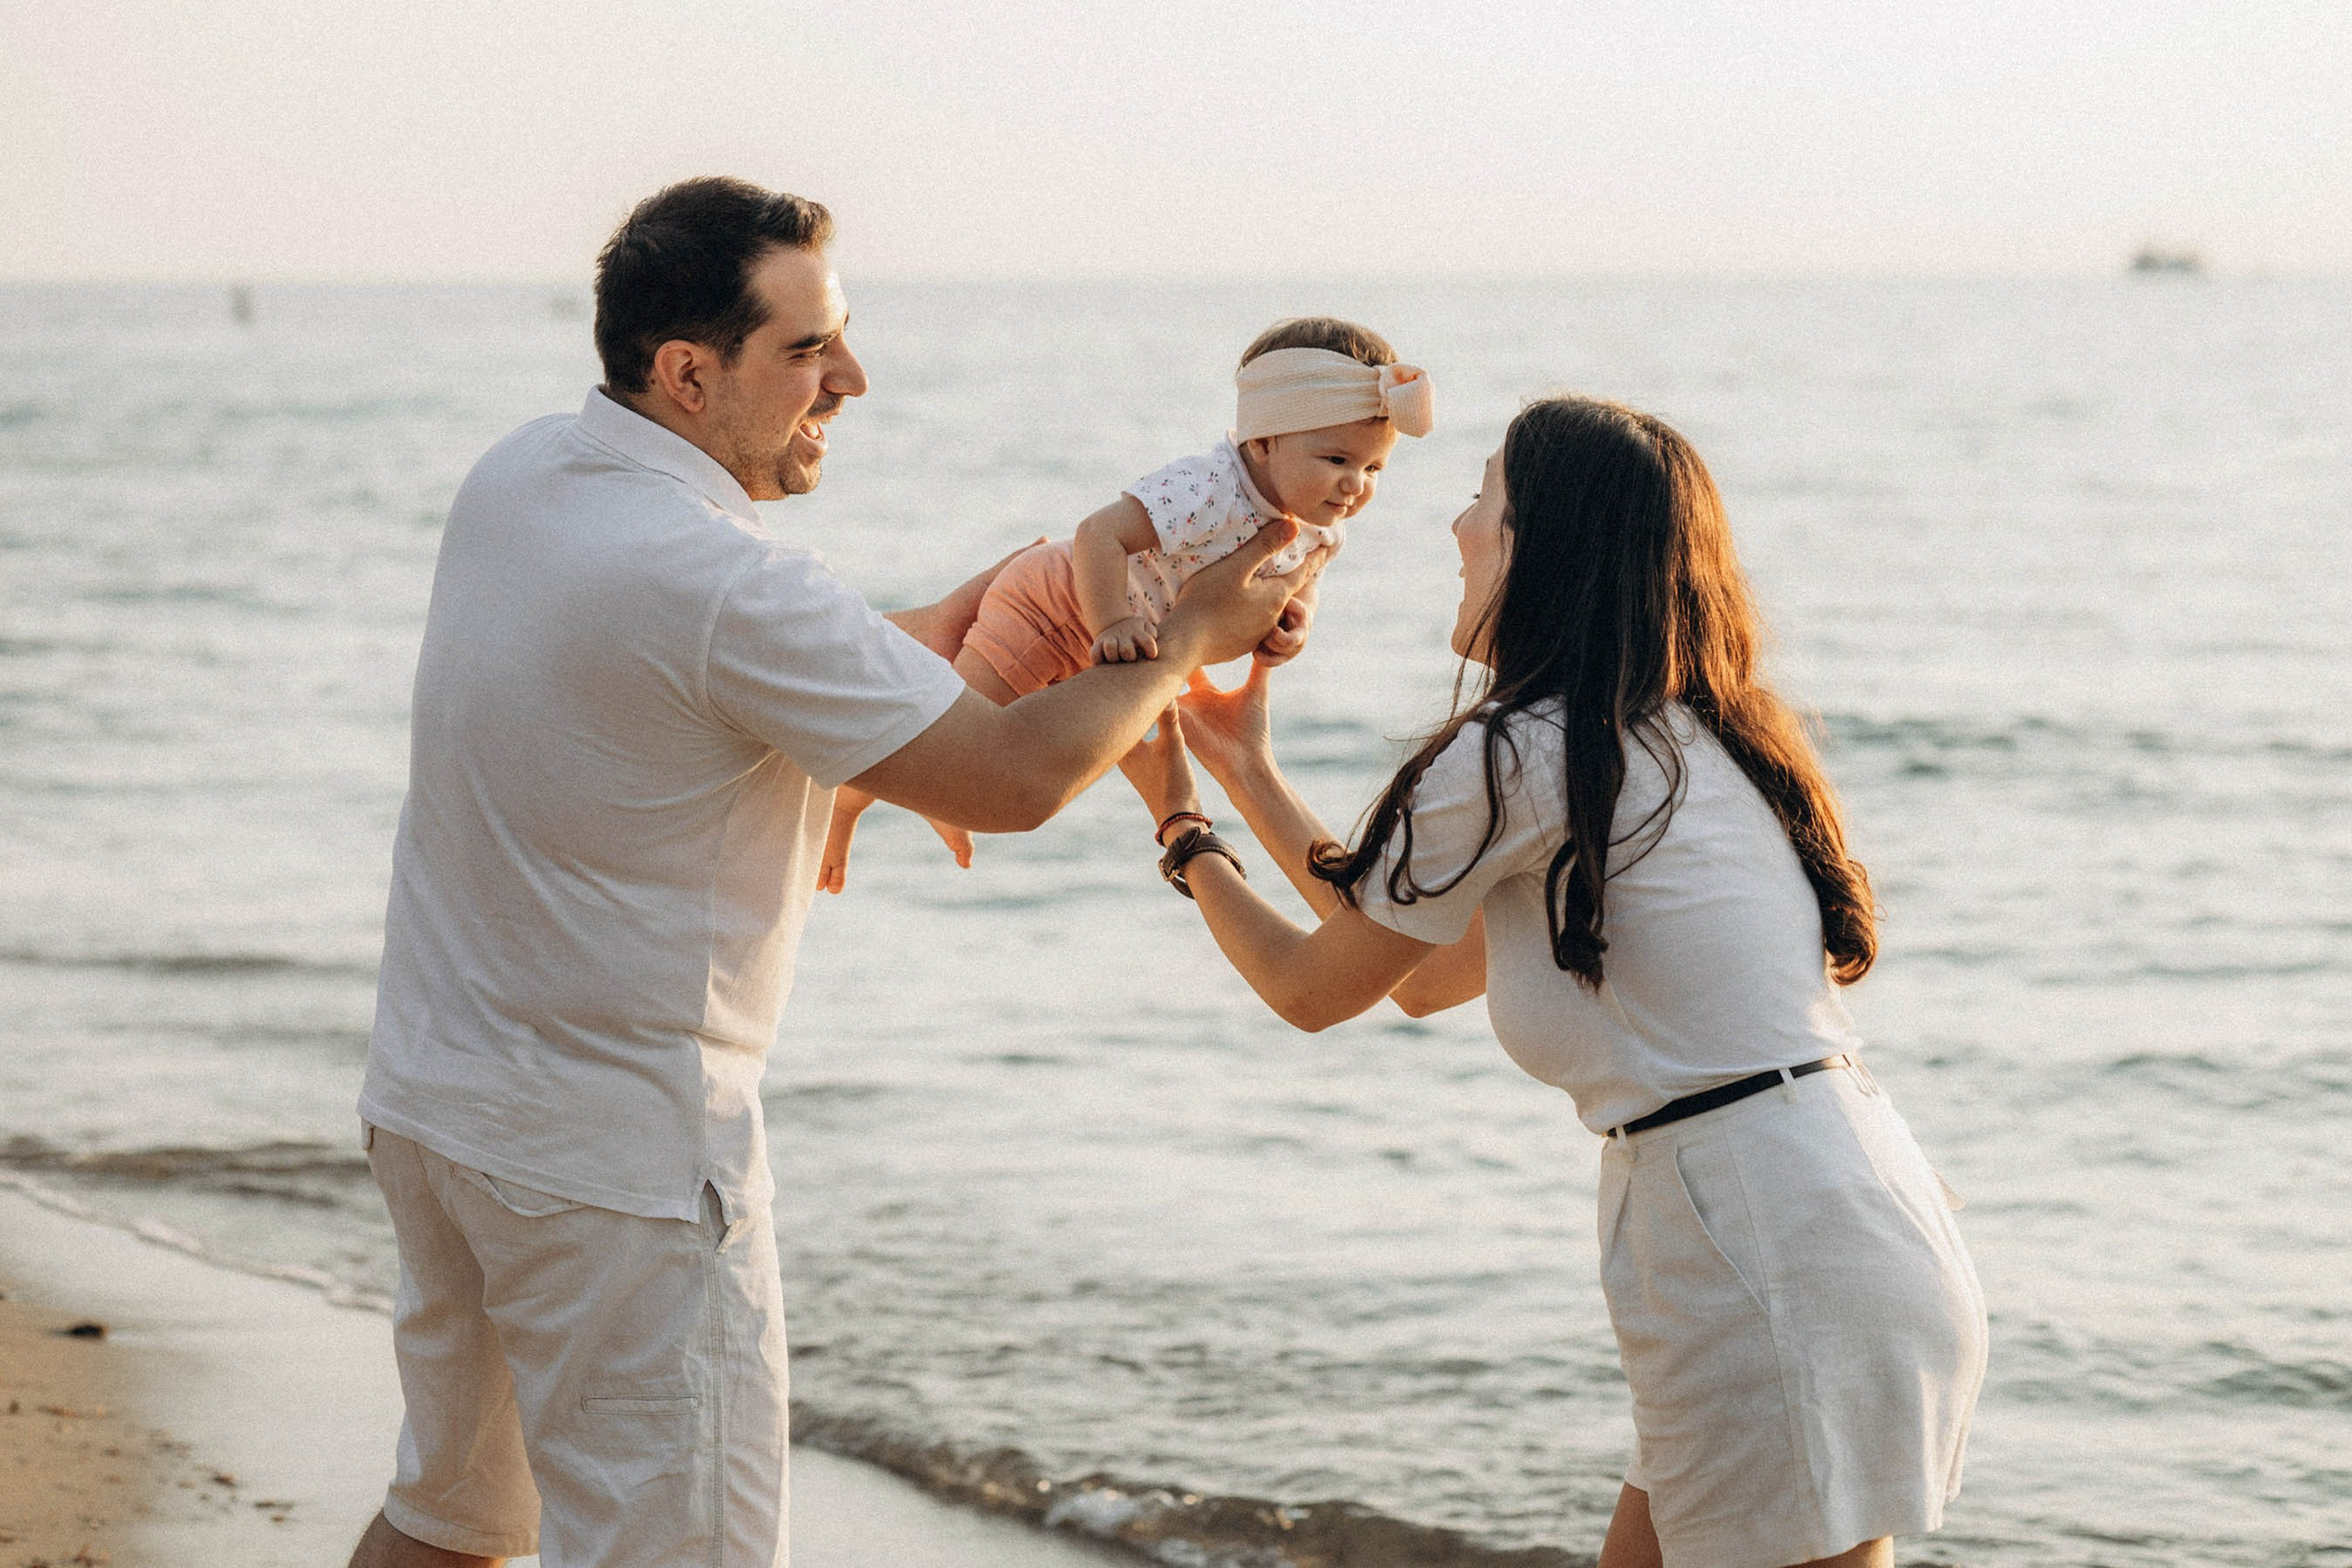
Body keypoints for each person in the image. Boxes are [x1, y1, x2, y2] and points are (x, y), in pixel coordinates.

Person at [346, 177, 1316, 1568]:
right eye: (808, 351)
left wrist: (1013, 598)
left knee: (450, 1520)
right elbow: (1012, 779)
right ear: (688, 373)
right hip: (616, 1166)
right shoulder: (724, 581)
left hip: (442, 1109)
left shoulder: (525, 476)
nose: (851, 380)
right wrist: (1192, 634)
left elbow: (805, 673)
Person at [1125, 396, 1988, 1568]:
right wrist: (1248, 770)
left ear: (1541, 547)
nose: (1456, 528)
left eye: (1484, 500)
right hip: (1812, 1211)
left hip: (1756, 1243)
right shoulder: (1675, 735)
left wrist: (1181, 824)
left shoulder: (1522, 750)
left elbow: (1311, 987)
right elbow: (1418, 971)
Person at [816, 315, 1433, 892]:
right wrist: (1112, 619)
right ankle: (850, 797)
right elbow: (1098, 534)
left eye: (1374, 467)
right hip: (1053, 606)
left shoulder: (1322, 524)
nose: (1356, 485)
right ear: (1265, 439)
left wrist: (1297, 620)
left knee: (979, 757)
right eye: (1337, 460)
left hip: (1124, 649)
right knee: (946, 737)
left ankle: (942, 795)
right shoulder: (1209, 487)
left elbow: (1305, 578)